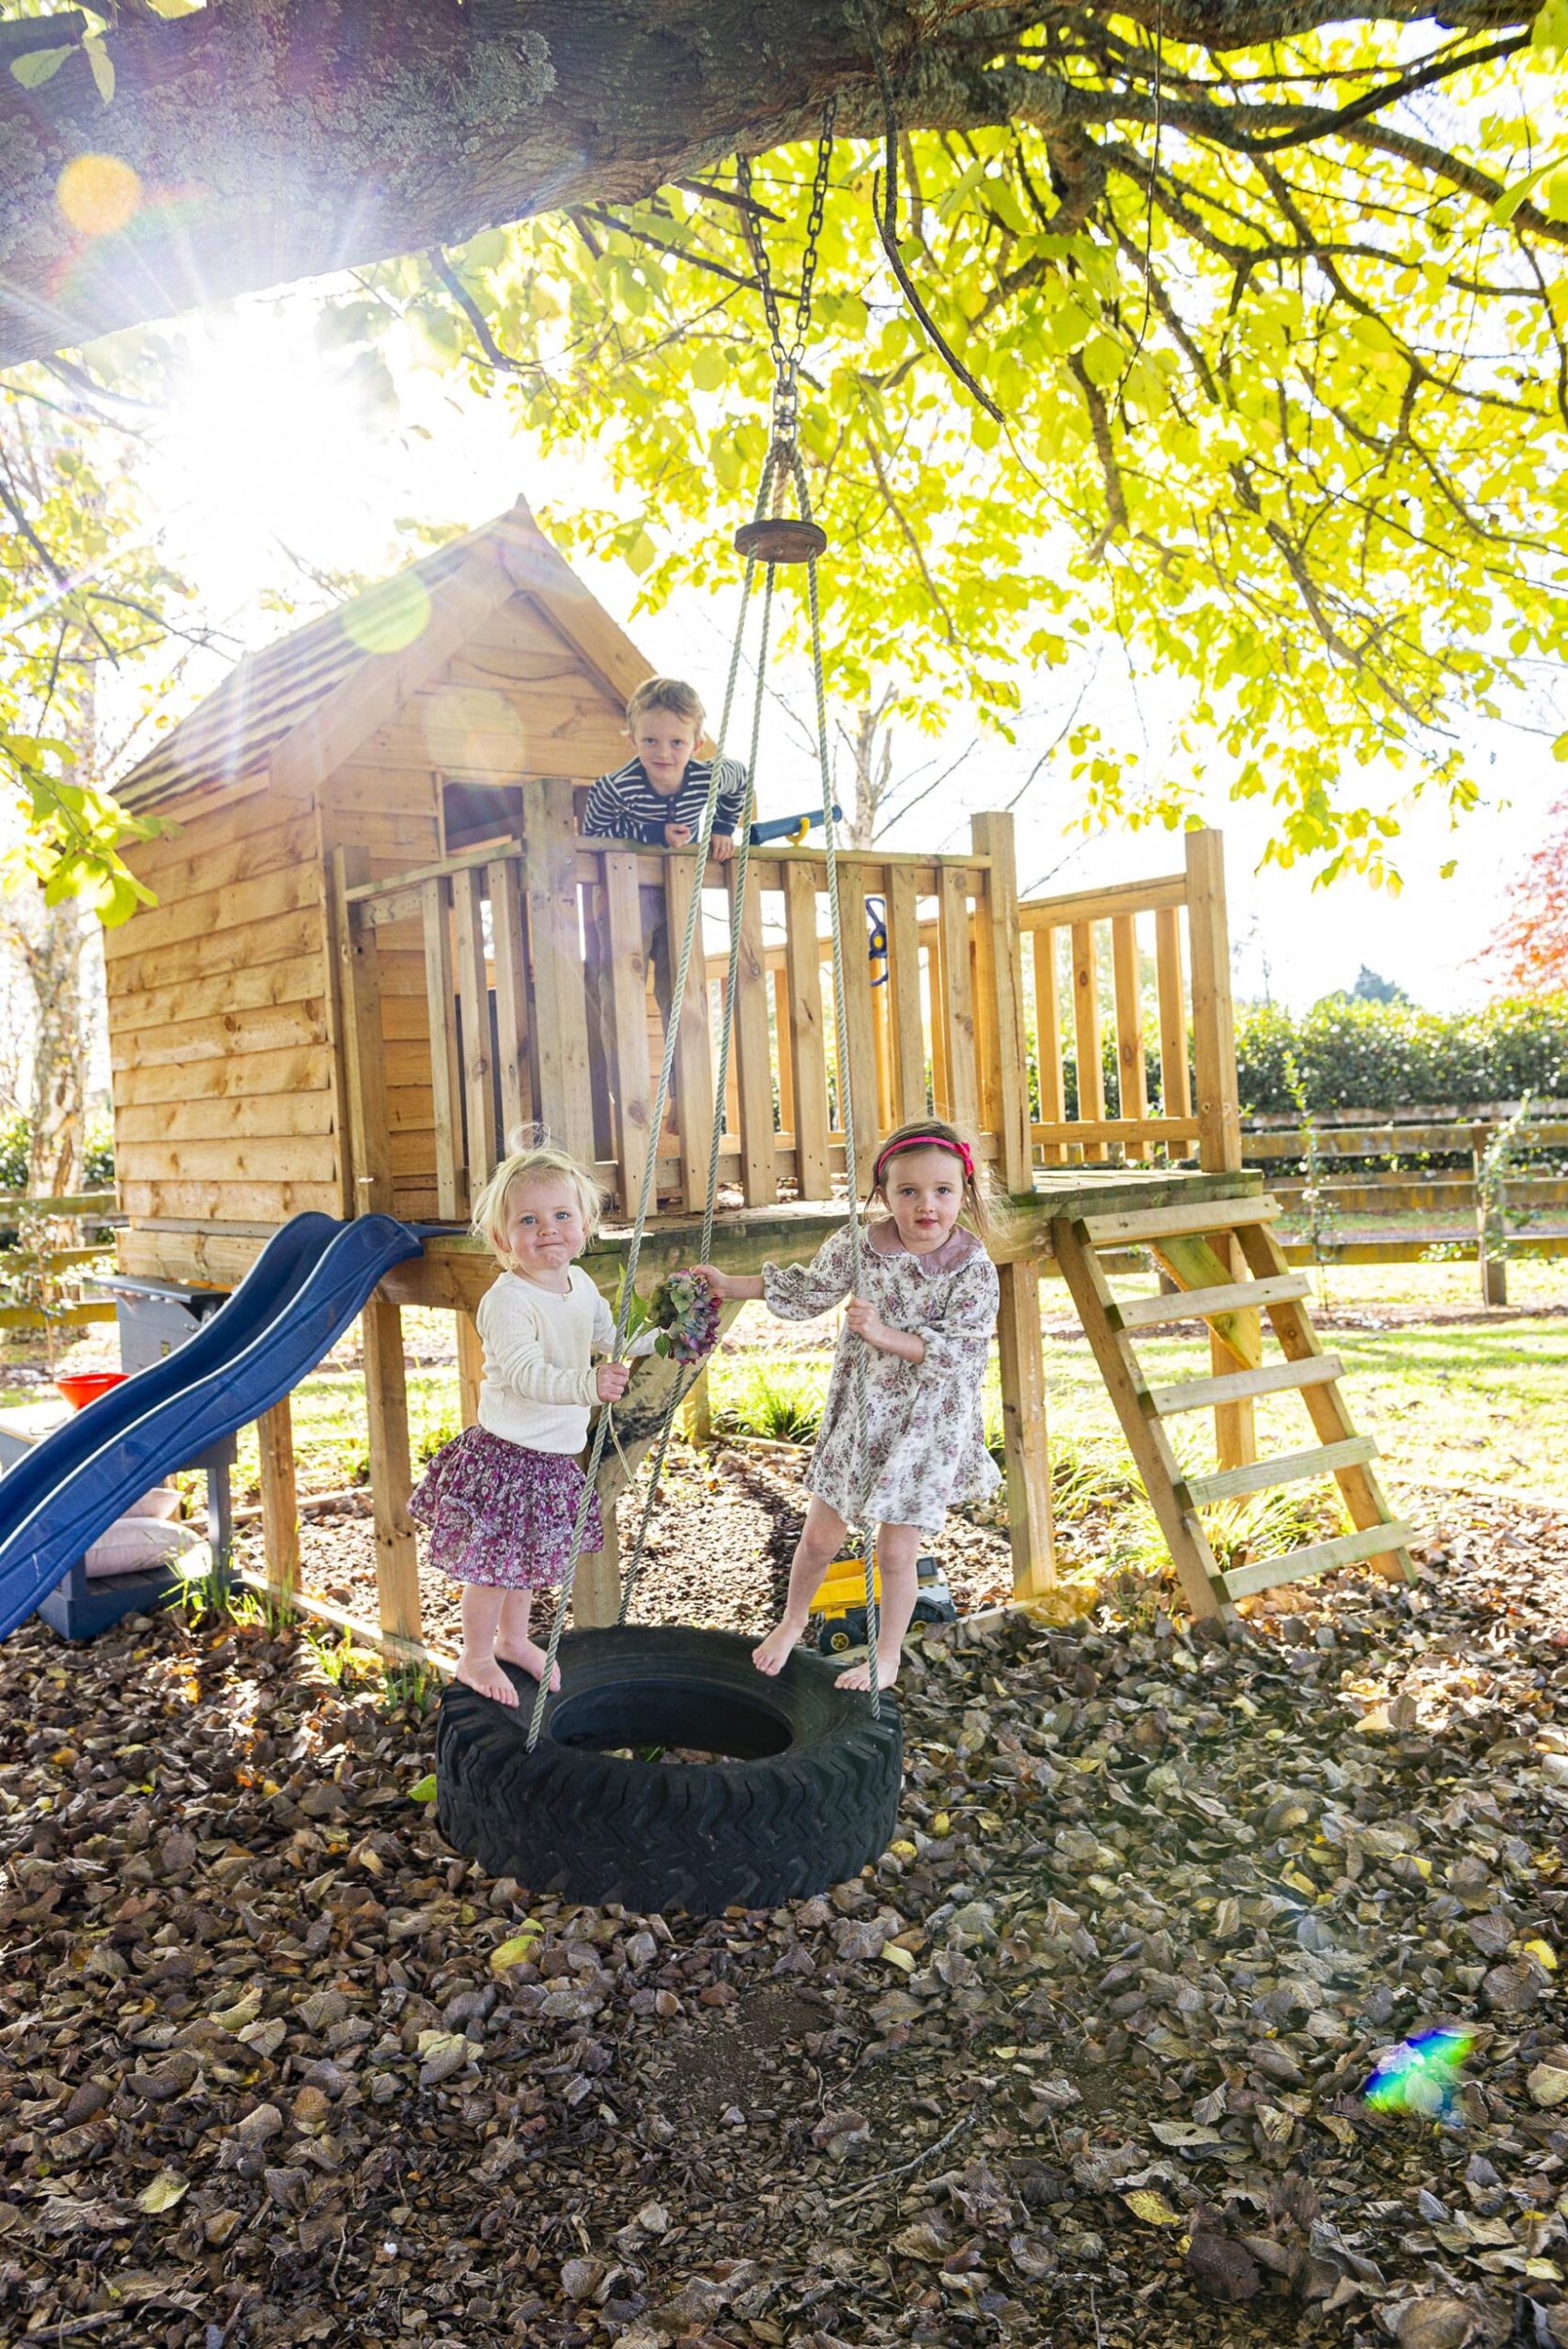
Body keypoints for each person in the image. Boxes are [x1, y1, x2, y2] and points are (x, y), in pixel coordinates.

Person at [694, 1119, 1001, 1692]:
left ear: (965, 1191)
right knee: (818, 1537)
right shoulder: (863, 1248)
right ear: (884, 1195)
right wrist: (728, 1285)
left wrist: (884, 1334)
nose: (926, 1206)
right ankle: (791, 1622)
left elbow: (961, 1353)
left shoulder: (974, 1270)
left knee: (894, 1550)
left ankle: (886, 1658)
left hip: (925, 1427)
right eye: (908, 1191)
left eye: (943, 1191)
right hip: (862, 1417)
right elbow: (811, 1288)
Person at [407, 1139, 630, 1707]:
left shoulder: (579, 1285)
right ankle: (475, 1656)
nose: (548, 1229)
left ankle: (511, 1641)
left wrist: (668, 1337)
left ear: (585, 1227)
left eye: (562, 1216)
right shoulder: (508, 1301)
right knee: (493, 1568)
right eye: (529, 1220)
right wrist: (588, 1385)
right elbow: (529, 1373)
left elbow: (609, 1336)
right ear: (505, 1239)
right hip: (508, 1458)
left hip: (551, 1457)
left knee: (524, 1562)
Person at [582, 677, 749, 1158]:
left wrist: (719, 828)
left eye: (677, 742)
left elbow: (741, 782)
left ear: (696, 744)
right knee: (619, 993)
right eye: (650, 740)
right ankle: (628, 1098)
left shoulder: (708, 775)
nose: (663, 752)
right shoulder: (616, 786)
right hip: (624, 894)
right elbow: (596, 832)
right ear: (632, 739)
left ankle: (686, 1097)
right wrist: (654, 830)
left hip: (678, 892)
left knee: (682, 992)